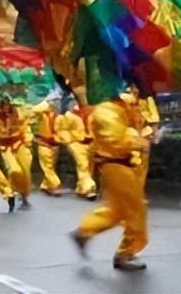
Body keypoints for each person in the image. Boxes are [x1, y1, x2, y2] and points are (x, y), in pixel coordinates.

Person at [69, 88, 149, 271]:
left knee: (117, 210)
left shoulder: (122, 105)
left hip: (124, 164)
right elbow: (116, 139)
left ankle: (84, 231)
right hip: (116, 165)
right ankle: (125, 253)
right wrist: (139, 140)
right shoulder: (105, 110)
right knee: (136, 209)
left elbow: (136, 126)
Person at [0, 97, 33, 209]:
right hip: (5, 147)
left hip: (19, 144)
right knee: (14, 170)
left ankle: (25, 196)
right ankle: (14, 190)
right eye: (4, 105)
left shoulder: (17, 113)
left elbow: (24, 126)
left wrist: (28, 139)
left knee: (25, 169)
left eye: (8, 105)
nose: (7, 107)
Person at [61, 99, 97, 200]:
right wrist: (68, 141)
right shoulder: (70, 115)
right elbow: (63, 129)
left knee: (89, 167)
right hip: (77, 143)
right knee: (83, 164)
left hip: (91, 143)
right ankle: (89, 189)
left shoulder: (94, 113)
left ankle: (81, 188)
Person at [30, 99, 62, 196]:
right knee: (47, 167)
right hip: (44, 144)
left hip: (55, 145)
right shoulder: (41, 116)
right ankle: (55, 184)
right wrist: (45, 103)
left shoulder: (59, 118)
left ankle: (45, 185)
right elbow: (34, 110)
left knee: (51, 166)